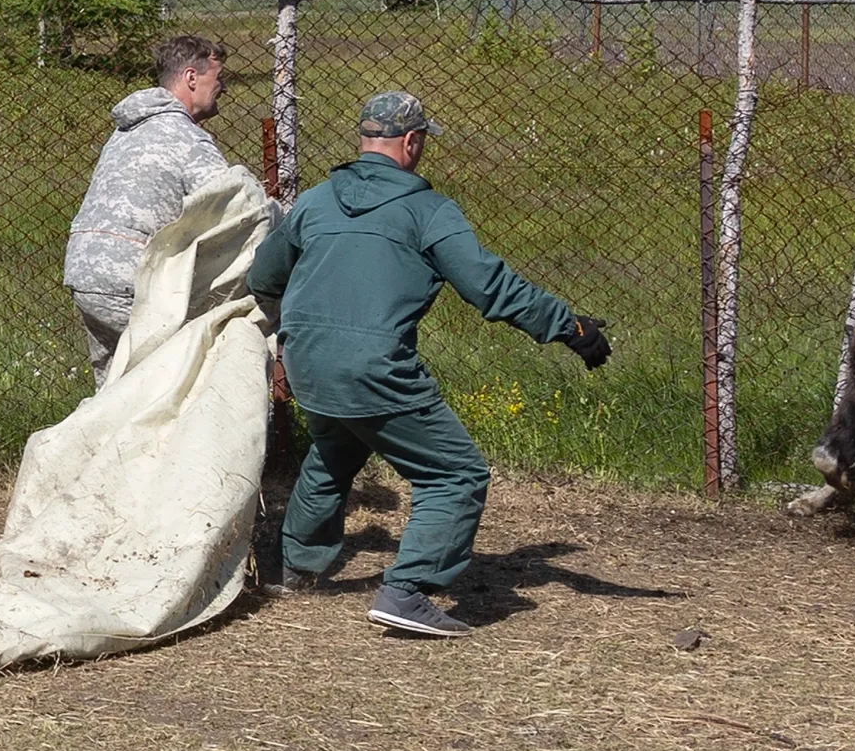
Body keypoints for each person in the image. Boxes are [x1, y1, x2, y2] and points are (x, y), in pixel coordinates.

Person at [246, 91, 610, 639]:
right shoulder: (427, 210)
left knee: (334, 450)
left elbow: (263, 278)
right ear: (412, 142)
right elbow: (489, 285)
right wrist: (571, 328)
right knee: (455, 474)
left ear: (364, 139)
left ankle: (294, 569)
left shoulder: (315, 202)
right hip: (373, 365)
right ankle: (407, 590)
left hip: (306, 359)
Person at [65, 35, 234, 385]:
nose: (224, 88)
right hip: (129, 279)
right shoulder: (187, 138)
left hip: (85, 272)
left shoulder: (126, 131)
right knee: (184, 378)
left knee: (116, 387)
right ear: (191, 77)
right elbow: (233, 211)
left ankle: (99, 440)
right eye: (219, 78)